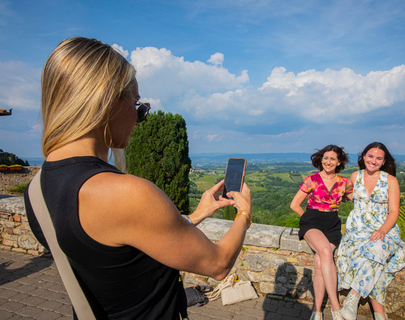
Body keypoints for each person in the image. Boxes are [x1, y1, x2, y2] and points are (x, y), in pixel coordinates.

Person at [24, 37, 252, 320]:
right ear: (105, 100)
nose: (138, 118)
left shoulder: (37, 189)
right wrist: (244, 212)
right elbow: (218, 264)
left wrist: (196, 215)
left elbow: (116, 252)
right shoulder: (125, 193)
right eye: (137, 105)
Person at [336, 142, 405, 320]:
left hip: (383, 227)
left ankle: (353, 296)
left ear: (383, 161)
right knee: (376, 263)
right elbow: (349, 197)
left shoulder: (391, 180)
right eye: (370, 156)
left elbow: (394, 211)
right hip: (357, 228)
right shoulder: (355, 176)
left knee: (377, 249)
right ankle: (380, 314)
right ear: (364, 157)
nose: (373, 161)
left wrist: (382, 231)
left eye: (378, 158)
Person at [290, 145, 353, 320]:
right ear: (321, 160)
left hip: (332, 224)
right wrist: (306, 219)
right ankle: (336, 307)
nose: (328, 162)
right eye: (326, 158)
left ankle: (317, 311)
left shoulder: (345, 183)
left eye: (333, 159)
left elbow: (356, 199)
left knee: (320, 263)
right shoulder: (312, 179)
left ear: (339, 162)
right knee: (326, 252)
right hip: (312, 222)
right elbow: (294, 204)